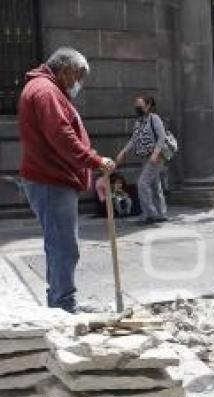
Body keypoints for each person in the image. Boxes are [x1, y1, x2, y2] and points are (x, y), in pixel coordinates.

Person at [17, 47, 115, 313]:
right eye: (78, 76)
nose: (78, 83)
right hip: (51, 180)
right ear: (65, 70)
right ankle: (63, 305)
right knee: (63, 246)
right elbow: (61, 136)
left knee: (58, 244)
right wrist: (95, 160)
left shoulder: (44, 89)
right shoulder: (46, 91)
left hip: (52, 179)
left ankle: (59, 301)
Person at [115, 95, 168, 224]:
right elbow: (134, 139)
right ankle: (161, 214)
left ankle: (149, 214)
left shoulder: (154, 118)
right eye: (136, 105)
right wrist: (123, 152)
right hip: (144, 158)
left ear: (148, 105)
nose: (137, 107)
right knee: (155, 186)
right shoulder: (139, 122)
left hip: (154, 157)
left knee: (142, 183)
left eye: (140, 104)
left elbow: (162, 137)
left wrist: (155, 153)